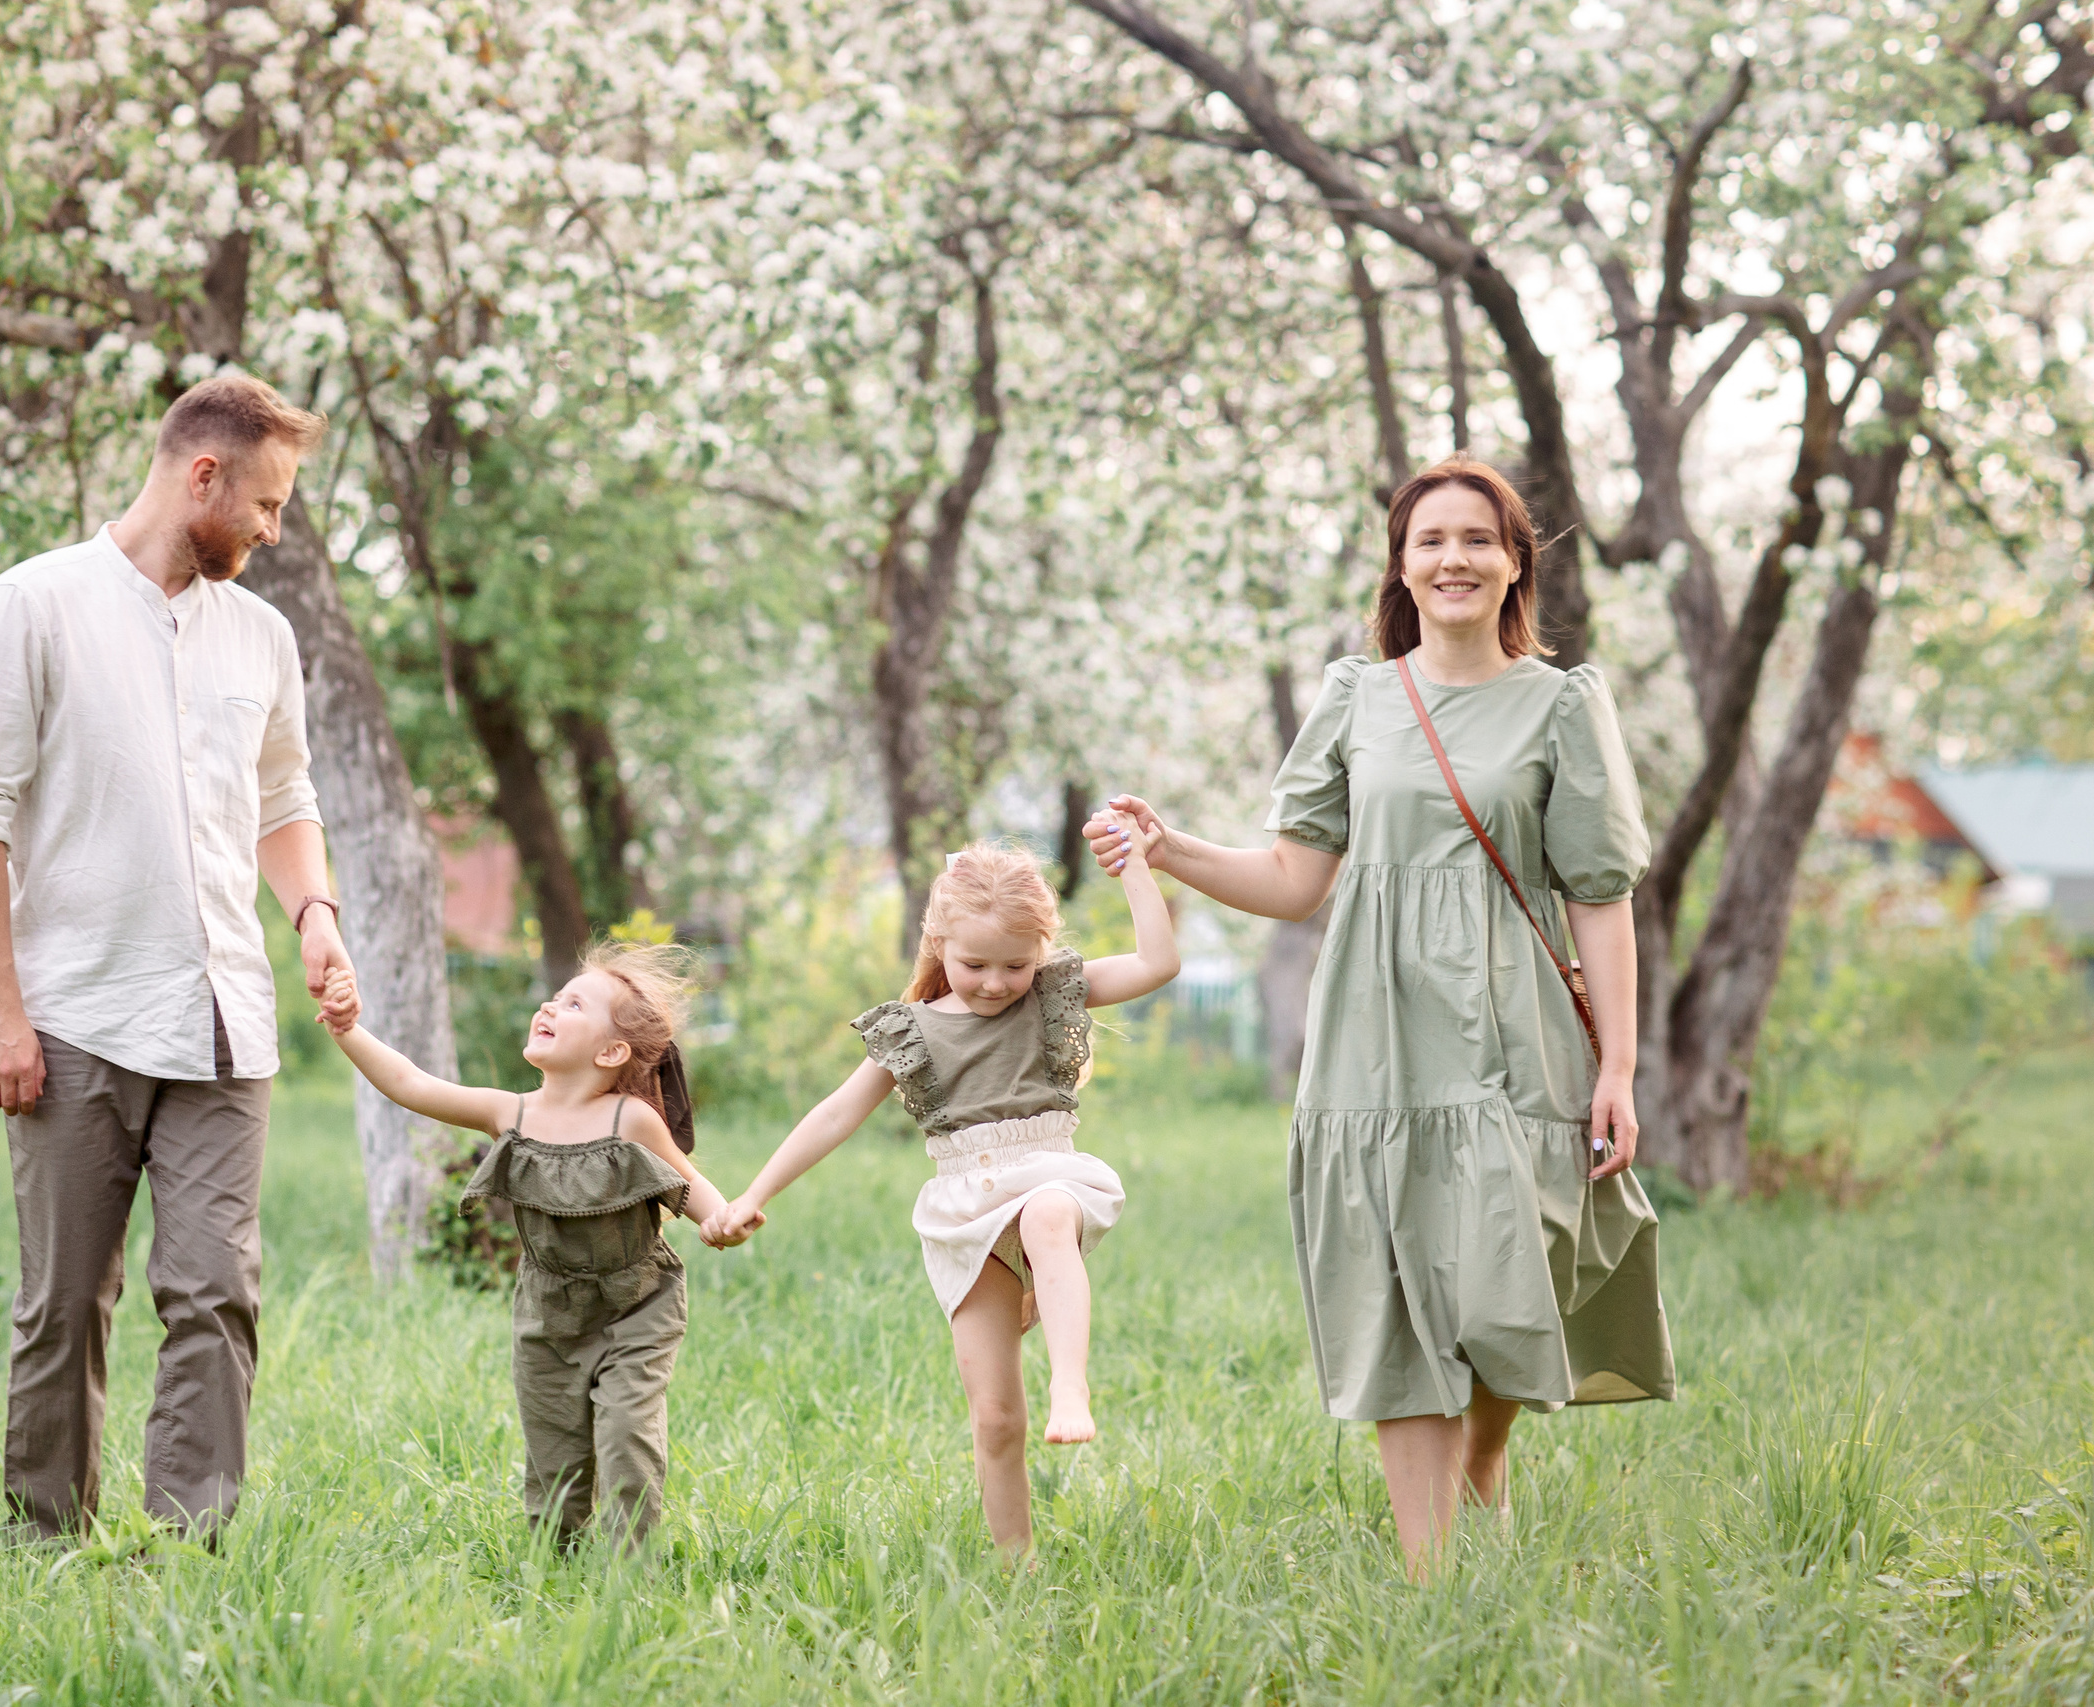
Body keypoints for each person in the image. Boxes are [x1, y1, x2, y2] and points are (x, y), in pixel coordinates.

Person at [1088, 455, 1675, 1575]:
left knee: (1519, 1266)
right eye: (1428, 541)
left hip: (1517, 1031)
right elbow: (1296, 880)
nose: (1451, 558)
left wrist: (1619, 1067)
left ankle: (1485, 1459)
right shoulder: (1357, 696)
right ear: (1401, 567)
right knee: (1395, 1287)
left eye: (1475, 539)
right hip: (1373, 1033)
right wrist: (1173, 851)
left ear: (1515, 564)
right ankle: (1428, 1581)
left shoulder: (1561, 704)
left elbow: (1600, 894)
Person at [0, 374, 360, 1541]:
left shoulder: (262, 637)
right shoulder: (30, 607)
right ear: (201, 475)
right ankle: (44, 1543)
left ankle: (191, 1547)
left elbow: (283, 796)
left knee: (218, 1292)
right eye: (264, 505)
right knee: (66, 1302)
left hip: (226, 1018)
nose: (273, 531)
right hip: (73, 1014)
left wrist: (313, 912)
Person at [700, 836, 1179, 1558]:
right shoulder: (911, 1029)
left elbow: (1157, 963)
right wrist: (754, 1191)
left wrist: (1137, 868)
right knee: (993, 1416)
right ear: (939, 942)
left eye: (1016, 964)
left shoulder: (1052, 993)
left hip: (1047, 1170)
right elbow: (835, 1113)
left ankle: (1072, 1384)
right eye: (975, 963)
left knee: (1049, 1214)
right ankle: (1015, 1564)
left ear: (1040, 950)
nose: (995, 982)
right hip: (964, 1208)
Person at [322, 942, 734, 1547]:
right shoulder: (509, 1113)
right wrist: (349, 1031)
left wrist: (724, 1219)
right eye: (555, 995)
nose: (549, 1004)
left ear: (611, 1051)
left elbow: (695, 1191)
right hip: (547, 1312)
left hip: (635, 1306)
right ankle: (557, 1563)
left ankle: (629, 1572)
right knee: (554, 1452)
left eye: (573, 1004)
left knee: (627, 1436)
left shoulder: (631, 1121)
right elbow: (410, 1084)